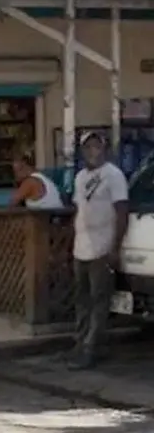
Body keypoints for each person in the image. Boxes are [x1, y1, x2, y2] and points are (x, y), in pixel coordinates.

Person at [70, 131, 129, 370]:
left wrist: (115, 247)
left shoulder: (114, 176)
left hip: (103, 245)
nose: (92, 151)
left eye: (96, 146)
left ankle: (91, 348)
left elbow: (122, 211)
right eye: (88, 147)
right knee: (81, 299)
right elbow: (78, 209)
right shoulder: (80, 177)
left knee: (99, 299)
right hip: (81, 245)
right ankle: (80, 342)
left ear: (104, 149)